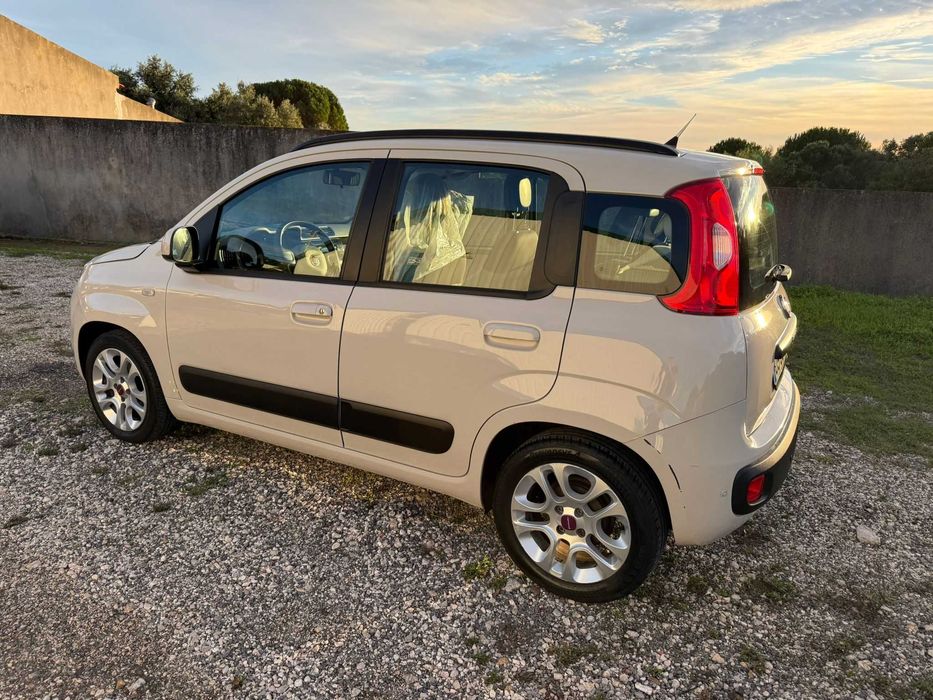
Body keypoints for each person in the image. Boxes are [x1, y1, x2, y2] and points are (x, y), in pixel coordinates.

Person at [385, 172, 471, 283]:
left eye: (407, 197)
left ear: (419, 204)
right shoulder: (454, 253)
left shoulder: (393, 239)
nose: (403, 204)